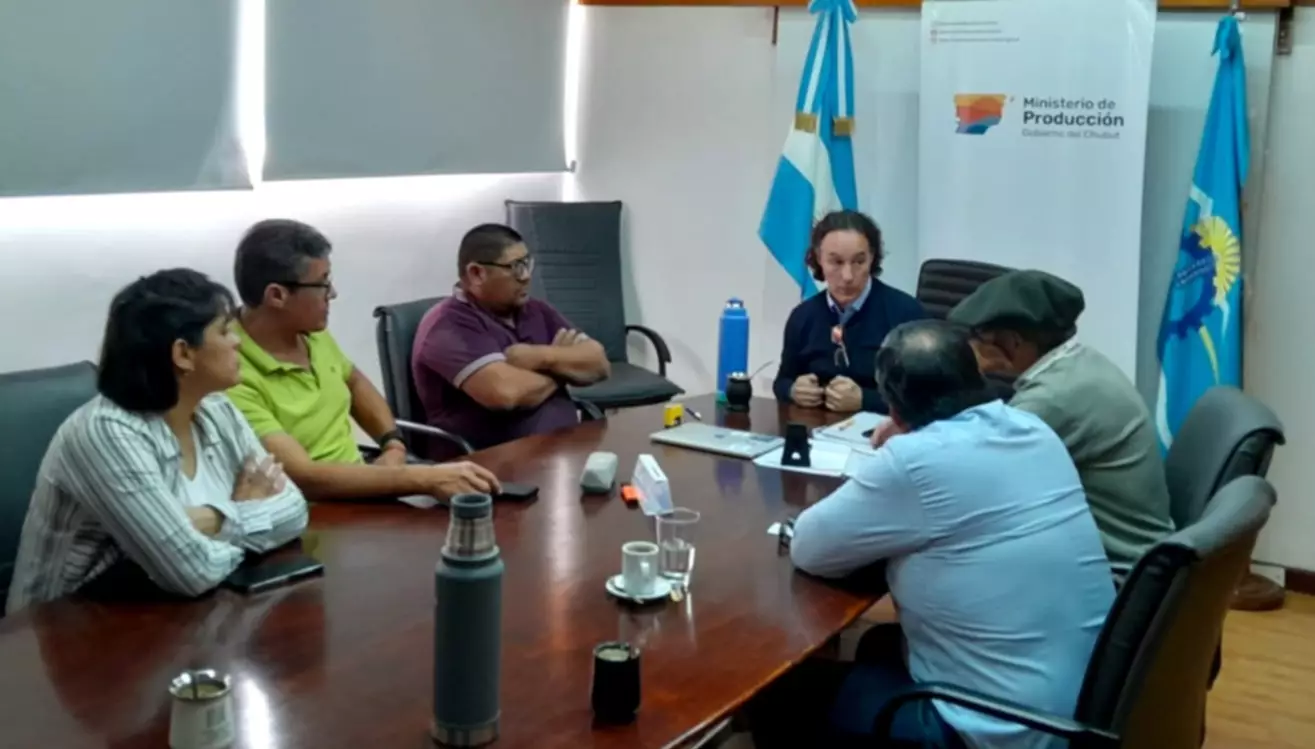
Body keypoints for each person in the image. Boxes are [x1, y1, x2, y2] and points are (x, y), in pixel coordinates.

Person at [751, 320, 1114, 749]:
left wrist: (902, 446)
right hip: (1082, 706)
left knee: (780, 695)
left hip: (999, 730)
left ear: (893, 406)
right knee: (878, 645)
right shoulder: (1034, 430)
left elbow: (810, 548)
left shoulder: (915, 460)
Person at [6, 269, 309, 613]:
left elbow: (295, 510)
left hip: (176, 611)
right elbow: (192, 571)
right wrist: (248, 516)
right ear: (183, 354)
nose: (238, 341)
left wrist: (209, 521)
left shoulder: (217, 409)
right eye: (225, 330)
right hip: (64, 627)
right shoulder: (106, 433)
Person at [227, 219, 499, 501]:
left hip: (365, 488)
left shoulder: (306, 332)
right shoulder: (230, 372)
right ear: (277, 295)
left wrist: (392, 444)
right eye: (322, 283)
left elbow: (354, 381)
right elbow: (304, 477)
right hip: (313, 510)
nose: (333, 293)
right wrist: (425, 478)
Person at [946, 269, 1174, 573]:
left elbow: (968, 479)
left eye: (978, 337)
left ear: (1012, 342)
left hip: (1117, 572)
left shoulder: (1052, 398)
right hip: (1128, 555)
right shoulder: (1080, 363)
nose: (971, 345)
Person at [412, 223, 610, 453]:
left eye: (527, 263)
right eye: (515, 267)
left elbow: (599, 363)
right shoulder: (446, 325)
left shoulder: (534, 309)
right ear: (476, 273)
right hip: (490, 460)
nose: (526, 276)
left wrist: (541, 357)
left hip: (562, 448)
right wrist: (564, 367)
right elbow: (505, 394)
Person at [773, 210, 927, 414]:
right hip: (818, 427)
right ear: (819, 259)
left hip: (882, 430)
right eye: (836, 262)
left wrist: (865, 400)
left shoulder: (906, 314)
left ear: (872, 258)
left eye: (859, 262)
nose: (847, 276)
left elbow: (926, 398)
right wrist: (793, 390)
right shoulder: (802, 316)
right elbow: (782, 381)